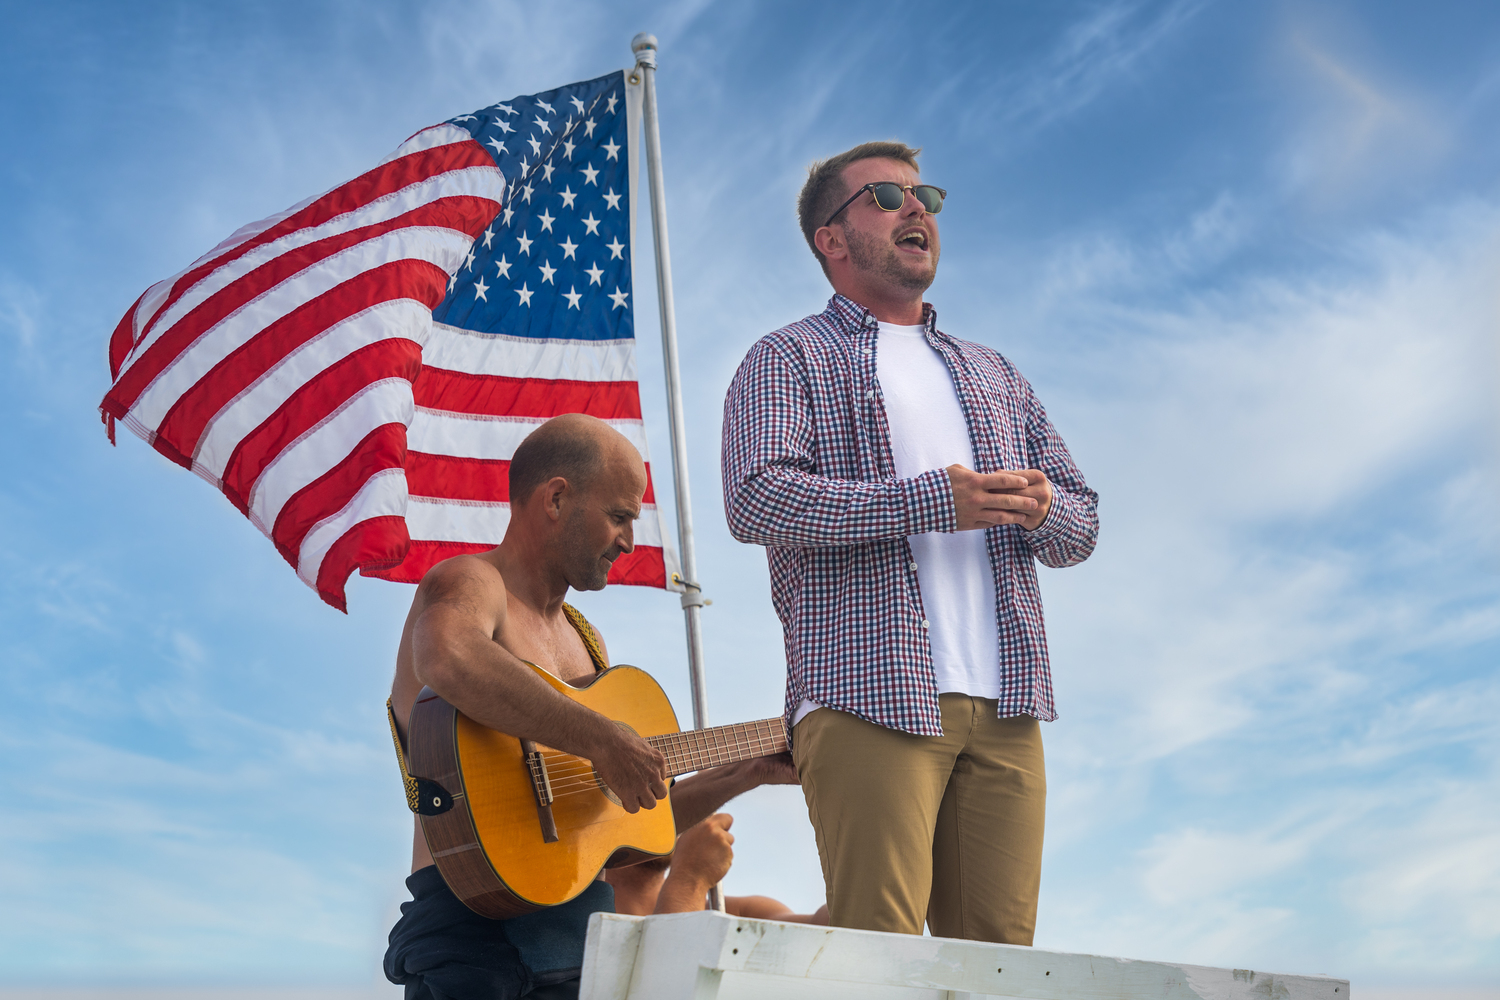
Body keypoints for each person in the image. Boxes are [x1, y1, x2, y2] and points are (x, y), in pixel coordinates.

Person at [720, 142, 1099, 946]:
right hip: (866, 693)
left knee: (999, 972)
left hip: (1008, 705)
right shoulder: (786, 357)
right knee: (878, 962)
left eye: (923, 193)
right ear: (831, 238)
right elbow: (756, 499)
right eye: (887, 197)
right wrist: (934, 501)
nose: (917, 208)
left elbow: (1082, 526)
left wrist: (1039, 510)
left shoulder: (995, 372)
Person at [382, 413, 794, 1000]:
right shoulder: (470, 582)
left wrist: (749, 770)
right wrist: (602, 738)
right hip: (472, 943)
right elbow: (447, 656)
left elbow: (627, 825)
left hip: (580, 949)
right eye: (620, 515)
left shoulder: (588, 640)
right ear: (556, 498)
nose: (628, 540)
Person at [606, 814, 829, 924]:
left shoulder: (739, 913)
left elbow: (822, 929)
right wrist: (690, 878)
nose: (653, 807)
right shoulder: (575, 923)